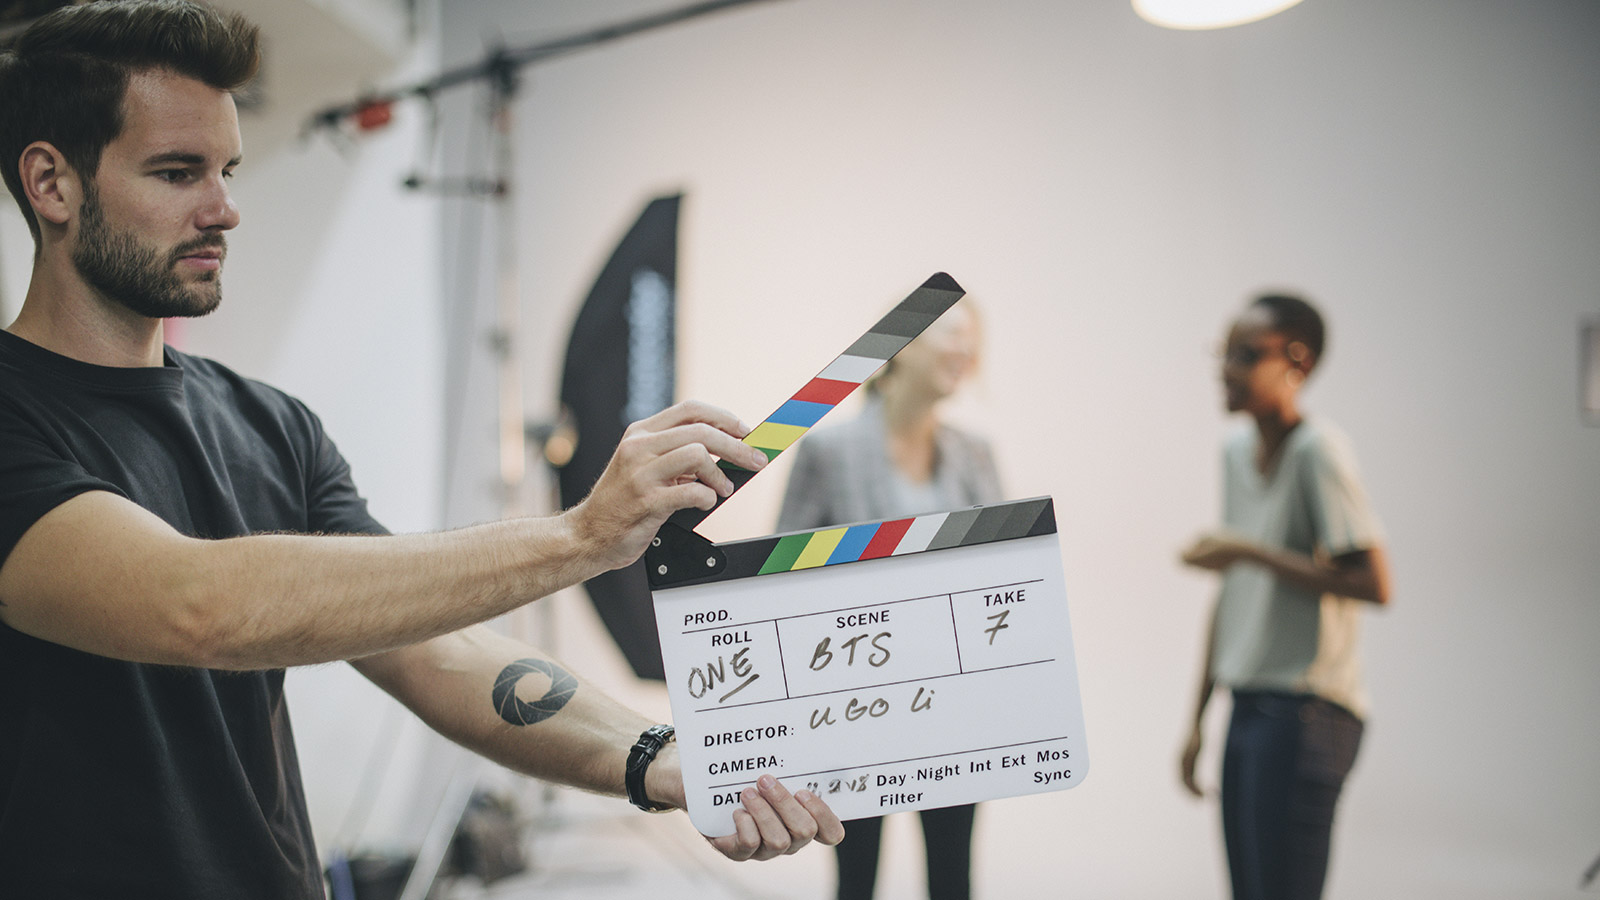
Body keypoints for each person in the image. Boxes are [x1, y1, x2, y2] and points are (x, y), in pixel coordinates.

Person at [0, 2, 842, 897]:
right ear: (52, 183)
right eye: (178, 172)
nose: (225, 209)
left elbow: (433, 651)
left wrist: (658, 757)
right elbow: (199, 607)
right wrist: (582, 536)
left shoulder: (270, 424)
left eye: (228, 169)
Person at [776, 300, 997, 900]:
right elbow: (777, 586)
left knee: (954, 875)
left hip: (951, 711)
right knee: (856, 877)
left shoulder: (975, 454)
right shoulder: (830, 452)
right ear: (900, 344)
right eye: (951, 333)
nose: (964, 349)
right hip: (857, 713)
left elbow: (1000, 578)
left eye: (971, 339)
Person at [1178, 293, 1392, 900]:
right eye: (1224, 353)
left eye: (1245, 354)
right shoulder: (1235, 452)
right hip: (1248, 706)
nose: (1226, 369)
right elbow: (1232, 593)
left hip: (1307, 712)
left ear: (1296, 362)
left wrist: (1247, 552)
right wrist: (1197, 718)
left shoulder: (1318, 452)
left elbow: (1375, 582)